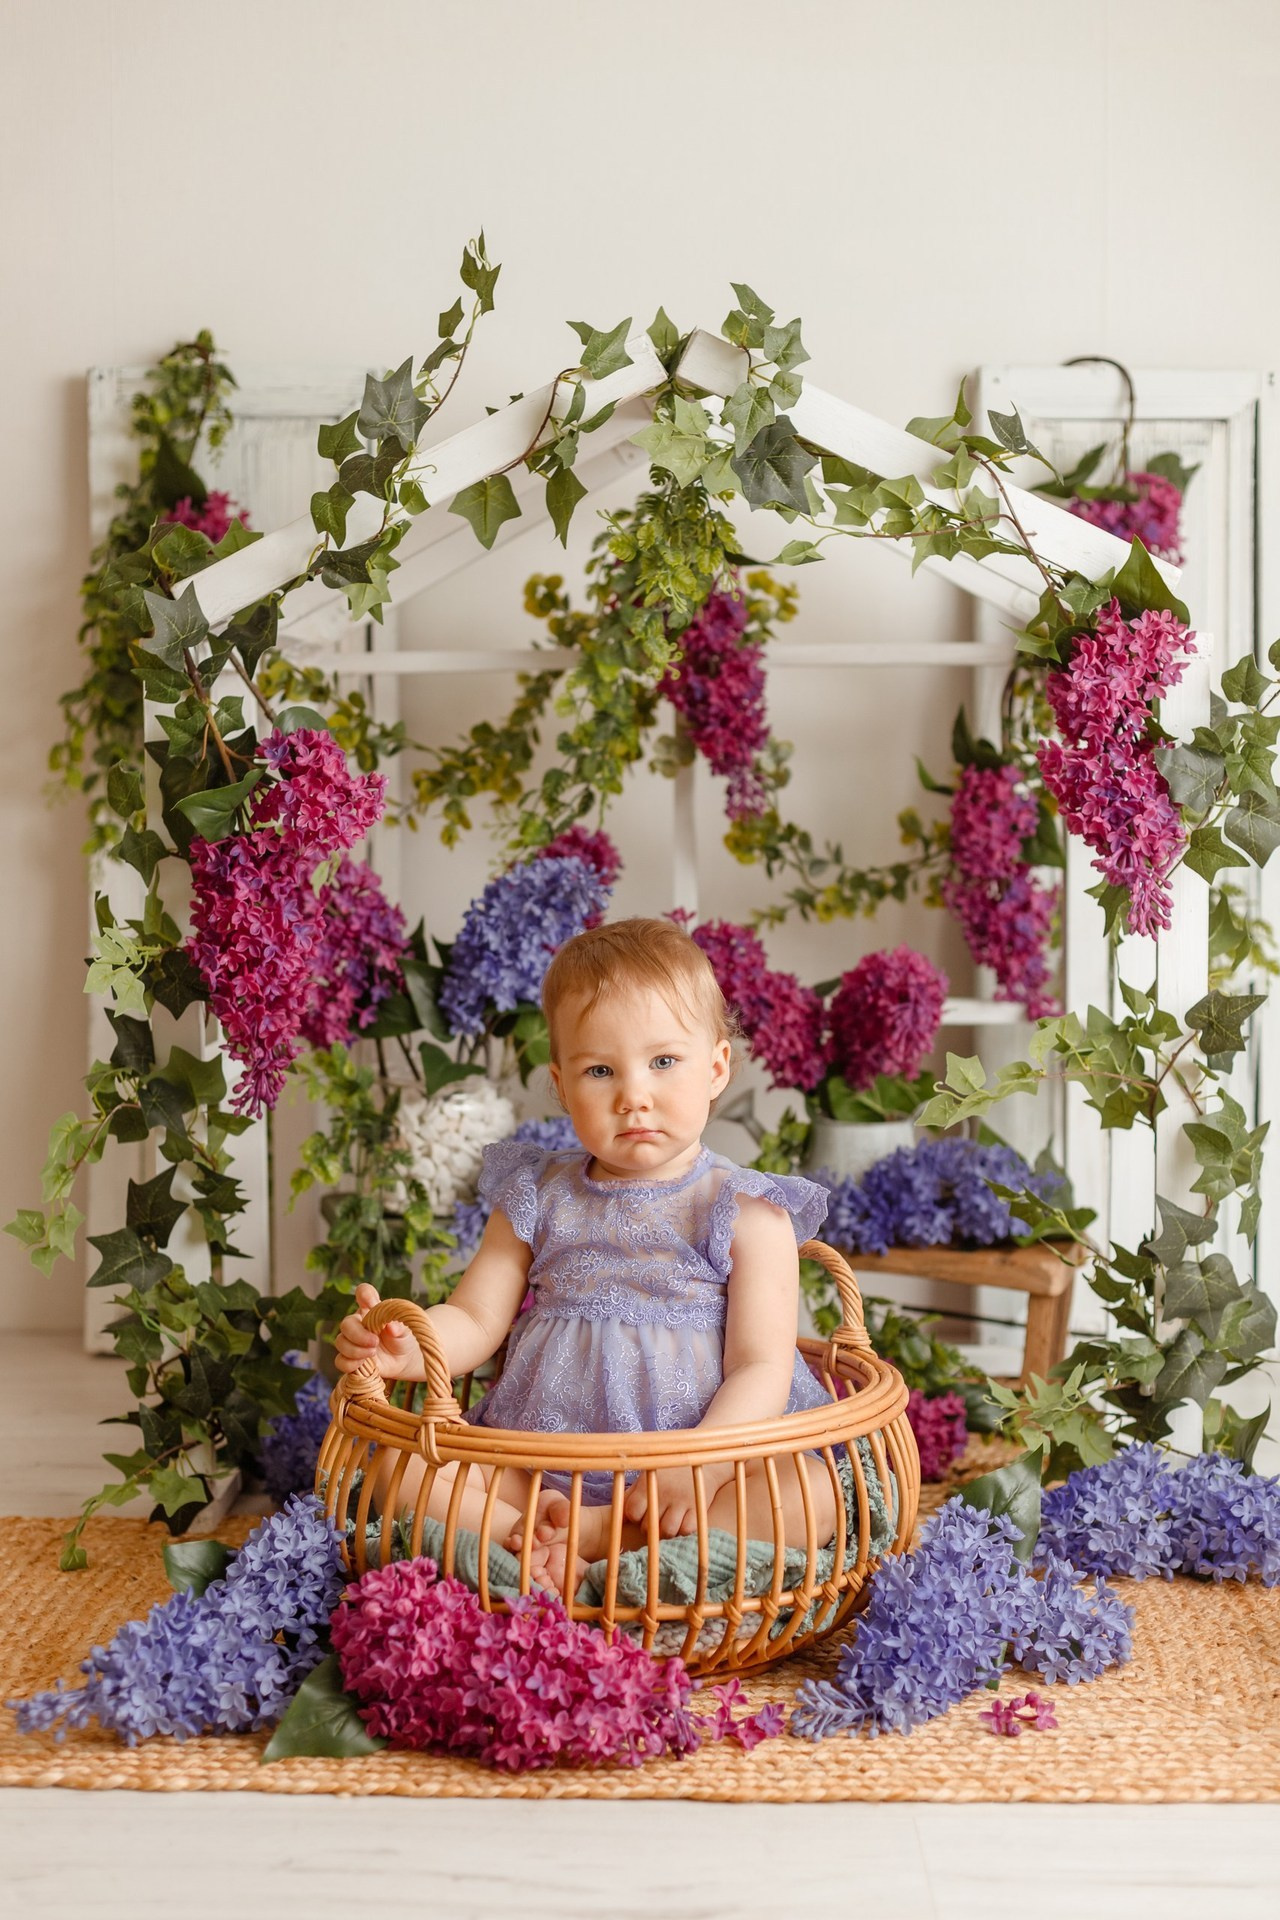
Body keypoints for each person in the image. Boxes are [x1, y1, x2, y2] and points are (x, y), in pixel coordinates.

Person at [334, 915, 840, 1591]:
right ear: (563, 1085)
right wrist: (413, 1347)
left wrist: (702, 1468)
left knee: (812, 1492)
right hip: (539, 1466)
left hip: (695, 1473)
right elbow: (476, 1316)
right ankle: (531, 1538)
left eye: (663, 1062)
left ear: (717, 1066)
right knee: (398, 1470)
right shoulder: (537, 1194)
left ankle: (597, 1542)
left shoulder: (746, 1210)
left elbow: (761, 1364)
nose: (634, 1096)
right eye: (601, 1070)